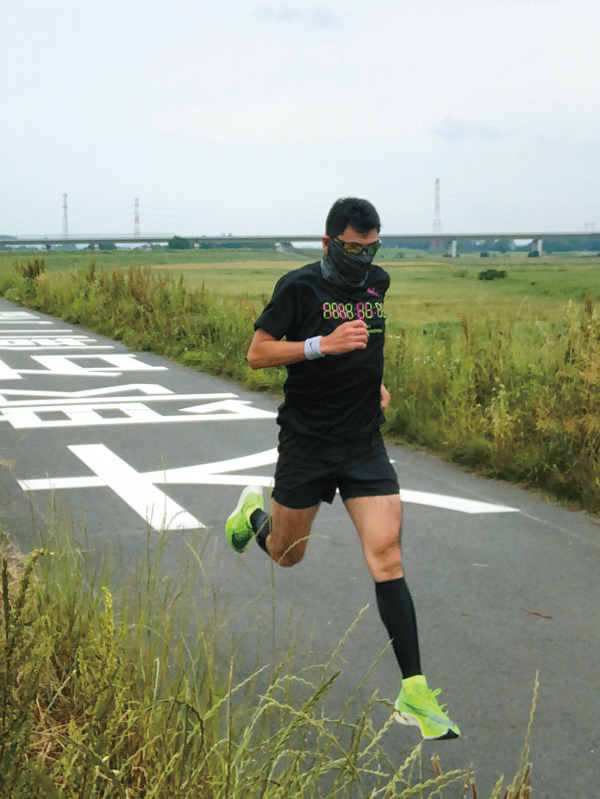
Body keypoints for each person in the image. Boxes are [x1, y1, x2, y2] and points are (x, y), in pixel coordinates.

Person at [225, 197, 459, 740]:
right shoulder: (299, 287)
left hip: (362, 443)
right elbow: (256, 353)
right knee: (287, 555)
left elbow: (366, 346)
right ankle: (250, 515)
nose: (361, 256)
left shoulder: (378, 284)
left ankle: (415, 693)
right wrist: (319, 346)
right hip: (307, 442)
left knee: (388, 555)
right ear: (328, 242)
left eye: (370, 246)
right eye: (351, 247)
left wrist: (370, 383)